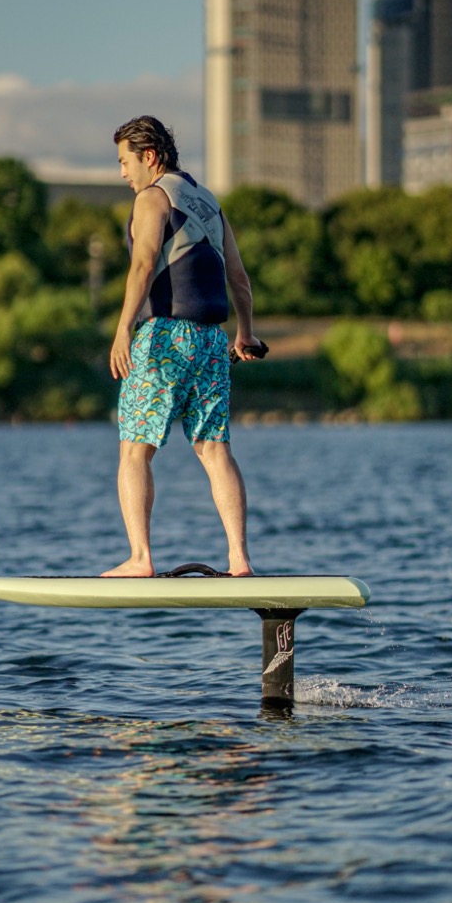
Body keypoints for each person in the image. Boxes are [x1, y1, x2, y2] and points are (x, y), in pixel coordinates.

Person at [102, 115, 264, 579]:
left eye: (124, 161)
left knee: (135, 448)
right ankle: (240, 560)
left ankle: (140, 559)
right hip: (213, 341)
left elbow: (143, 265)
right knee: (215, 449)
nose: (122, 174)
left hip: (164, 339)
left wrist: (122, 329)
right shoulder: (210, 204)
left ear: (150, 156)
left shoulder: (152, 199)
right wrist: (245, 334)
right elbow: (240, 280)